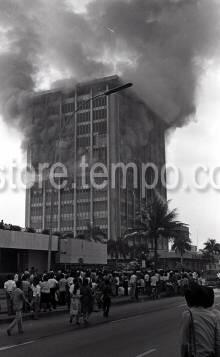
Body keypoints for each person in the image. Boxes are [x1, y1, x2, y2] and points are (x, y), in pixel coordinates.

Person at [180, 284, 220, 357]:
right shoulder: (215, 315)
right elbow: (218, 341)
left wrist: (183, 354)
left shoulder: (188, 314)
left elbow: (184, 342)